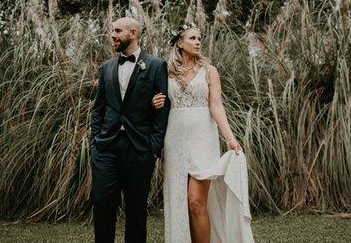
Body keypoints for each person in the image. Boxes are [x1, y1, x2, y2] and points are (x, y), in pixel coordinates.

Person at [152, 23, 255, 243]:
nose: (198, 42)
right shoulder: (165, 71)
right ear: (179, 43)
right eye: (192, 38)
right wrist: (154, 102)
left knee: (195, 201)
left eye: (199, 38)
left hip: (203, 137)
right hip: (175, 137)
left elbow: (216, 106)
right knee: (180, 200)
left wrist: (230, 138)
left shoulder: (209, 70)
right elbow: (157, 103)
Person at [91, 17, 170, 243]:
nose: (112, 35)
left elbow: (163, 108)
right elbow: (99, 108)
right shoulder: (106, 67)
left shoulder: (156, 65)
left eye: (117, 30)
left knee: (136, 209)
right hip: (106, 148)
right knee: (102, 204)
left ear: (133, 33)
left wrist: (154, 146)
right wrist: (95, 142)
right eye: (111, 31)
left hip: (139, 148)